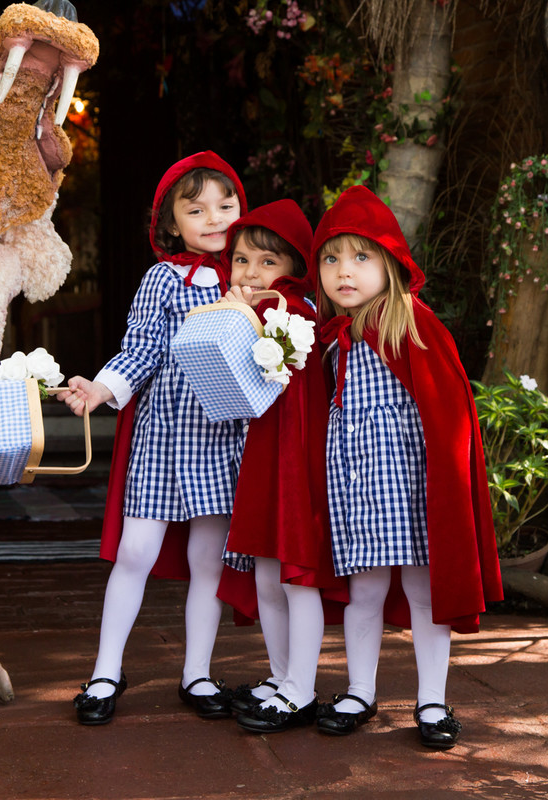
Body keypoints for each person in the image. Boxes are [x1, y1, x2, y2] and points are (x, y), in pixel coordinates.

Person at [309, 185, 503, 749]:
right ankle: (359, 691)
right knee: (364, 591)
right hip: (354, 484)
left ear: (391, 263)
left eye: (360, 257)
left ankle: (433, 700)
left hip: (410, 487)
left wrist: (444, 487)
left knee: (423, 591)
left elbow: (448, 415)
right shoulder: (329, 338)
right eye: (330, 259)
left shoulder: (411, 322)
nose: (344, 271)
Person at [60, 151, 246, 725]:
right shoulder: (164, 278)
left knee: (208, 559)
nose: (213, 218)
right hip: (165, 434)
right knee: (136, 551)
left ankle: (198, 673)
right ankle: (105, 672)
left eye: (225, 205)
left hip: (225, 436)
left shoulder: (252, 278)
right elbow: (141, 348)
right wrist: (101, 389)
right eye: (197, 210)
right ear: (171, 223)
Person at [211, 200, 344, 734]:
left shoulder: (298, 311)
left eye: (268, 262)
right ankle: (283, 674)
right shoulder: (244, 310)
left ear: (294, 267)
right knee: (268, 575)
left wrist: (254, 309)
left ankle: (301, 689)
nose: (251, 272)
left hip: (295, 461)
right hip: (262, 458)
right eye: (242, 260)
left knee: (295, 577)